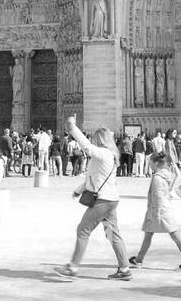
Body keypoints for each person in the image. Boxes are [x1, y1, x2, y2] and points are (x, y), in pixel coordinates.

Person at [54, 117, 130, 281]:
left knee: (83, 230)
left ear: (100, 139)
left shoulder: (103, 153)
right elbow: (96, 177)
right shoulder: (109, 155)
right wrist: (79, 190)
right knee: (113, 234)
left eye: (95, 138)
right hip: (111, 200)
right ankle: (124, 269)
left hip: (102, 201)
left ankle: (72, 268)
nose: (93, 141)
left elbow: (87, 147)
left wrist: (73, 129)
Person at [128, 153, 181, 270]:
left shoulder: (157, 178)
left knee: (174, 235)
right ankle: (139, 260)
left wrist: (156, 214)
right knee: (149, 234)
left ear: (157, 164)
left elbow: (158, 197)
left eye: (150, 163)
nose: (149, 165)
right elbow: (175, 178)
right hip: (162, 209)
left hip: (159, 211)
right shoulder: (166, 175)